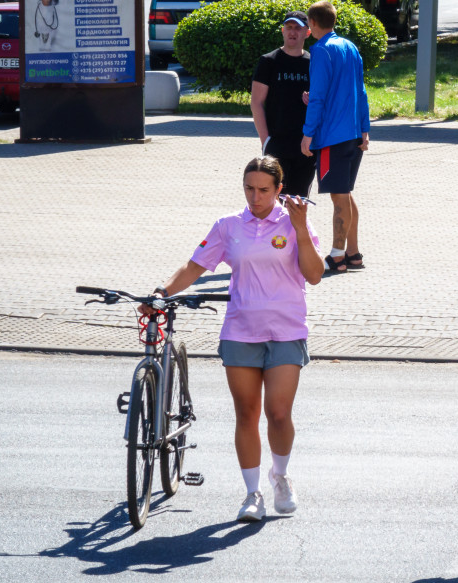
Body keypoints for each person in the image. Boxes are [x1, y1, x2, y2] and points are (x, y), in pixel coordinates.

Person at [146, 156, 323, 522]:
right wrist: (161, 292)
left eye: (263, 190)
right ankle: (252, 493)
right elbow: (195, 266)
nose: (255, 197)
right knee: (246, 413)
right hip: (241, 330)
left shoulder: (293, 223)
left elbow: (314, 274)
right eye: (249, 188)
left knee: (278, 413)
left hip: (287, 330)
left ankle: (281, 475)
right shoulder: (228, 226)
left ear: (279, 189)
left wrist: (302, 228)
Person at [300, 0, 370, 273]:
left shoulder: (320, 50)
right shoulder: (350, 47)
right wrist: (365, 130)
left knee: (339, 198)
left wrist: (308, 134)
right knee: (347, 195)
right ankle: (353, 254)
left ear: (312, 24)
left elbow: (317, 96)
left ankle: (337, 256)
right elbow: (361, 92)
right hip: (352, 134)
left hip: (331, 137)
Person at [251, 11, 316, 198]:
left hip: (306, 144)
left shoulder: (313, 63)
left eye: (298, 28)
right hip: (277, 143)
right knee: (275, 202)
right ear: (283, 31)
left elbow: (325, 101)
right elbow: (256, 103)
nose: (292, 32)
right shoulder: (269, 61)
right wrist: (266, 141)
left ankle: (297, 229)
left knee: (299, 202)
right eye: (289, 27)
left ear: (307, 33)